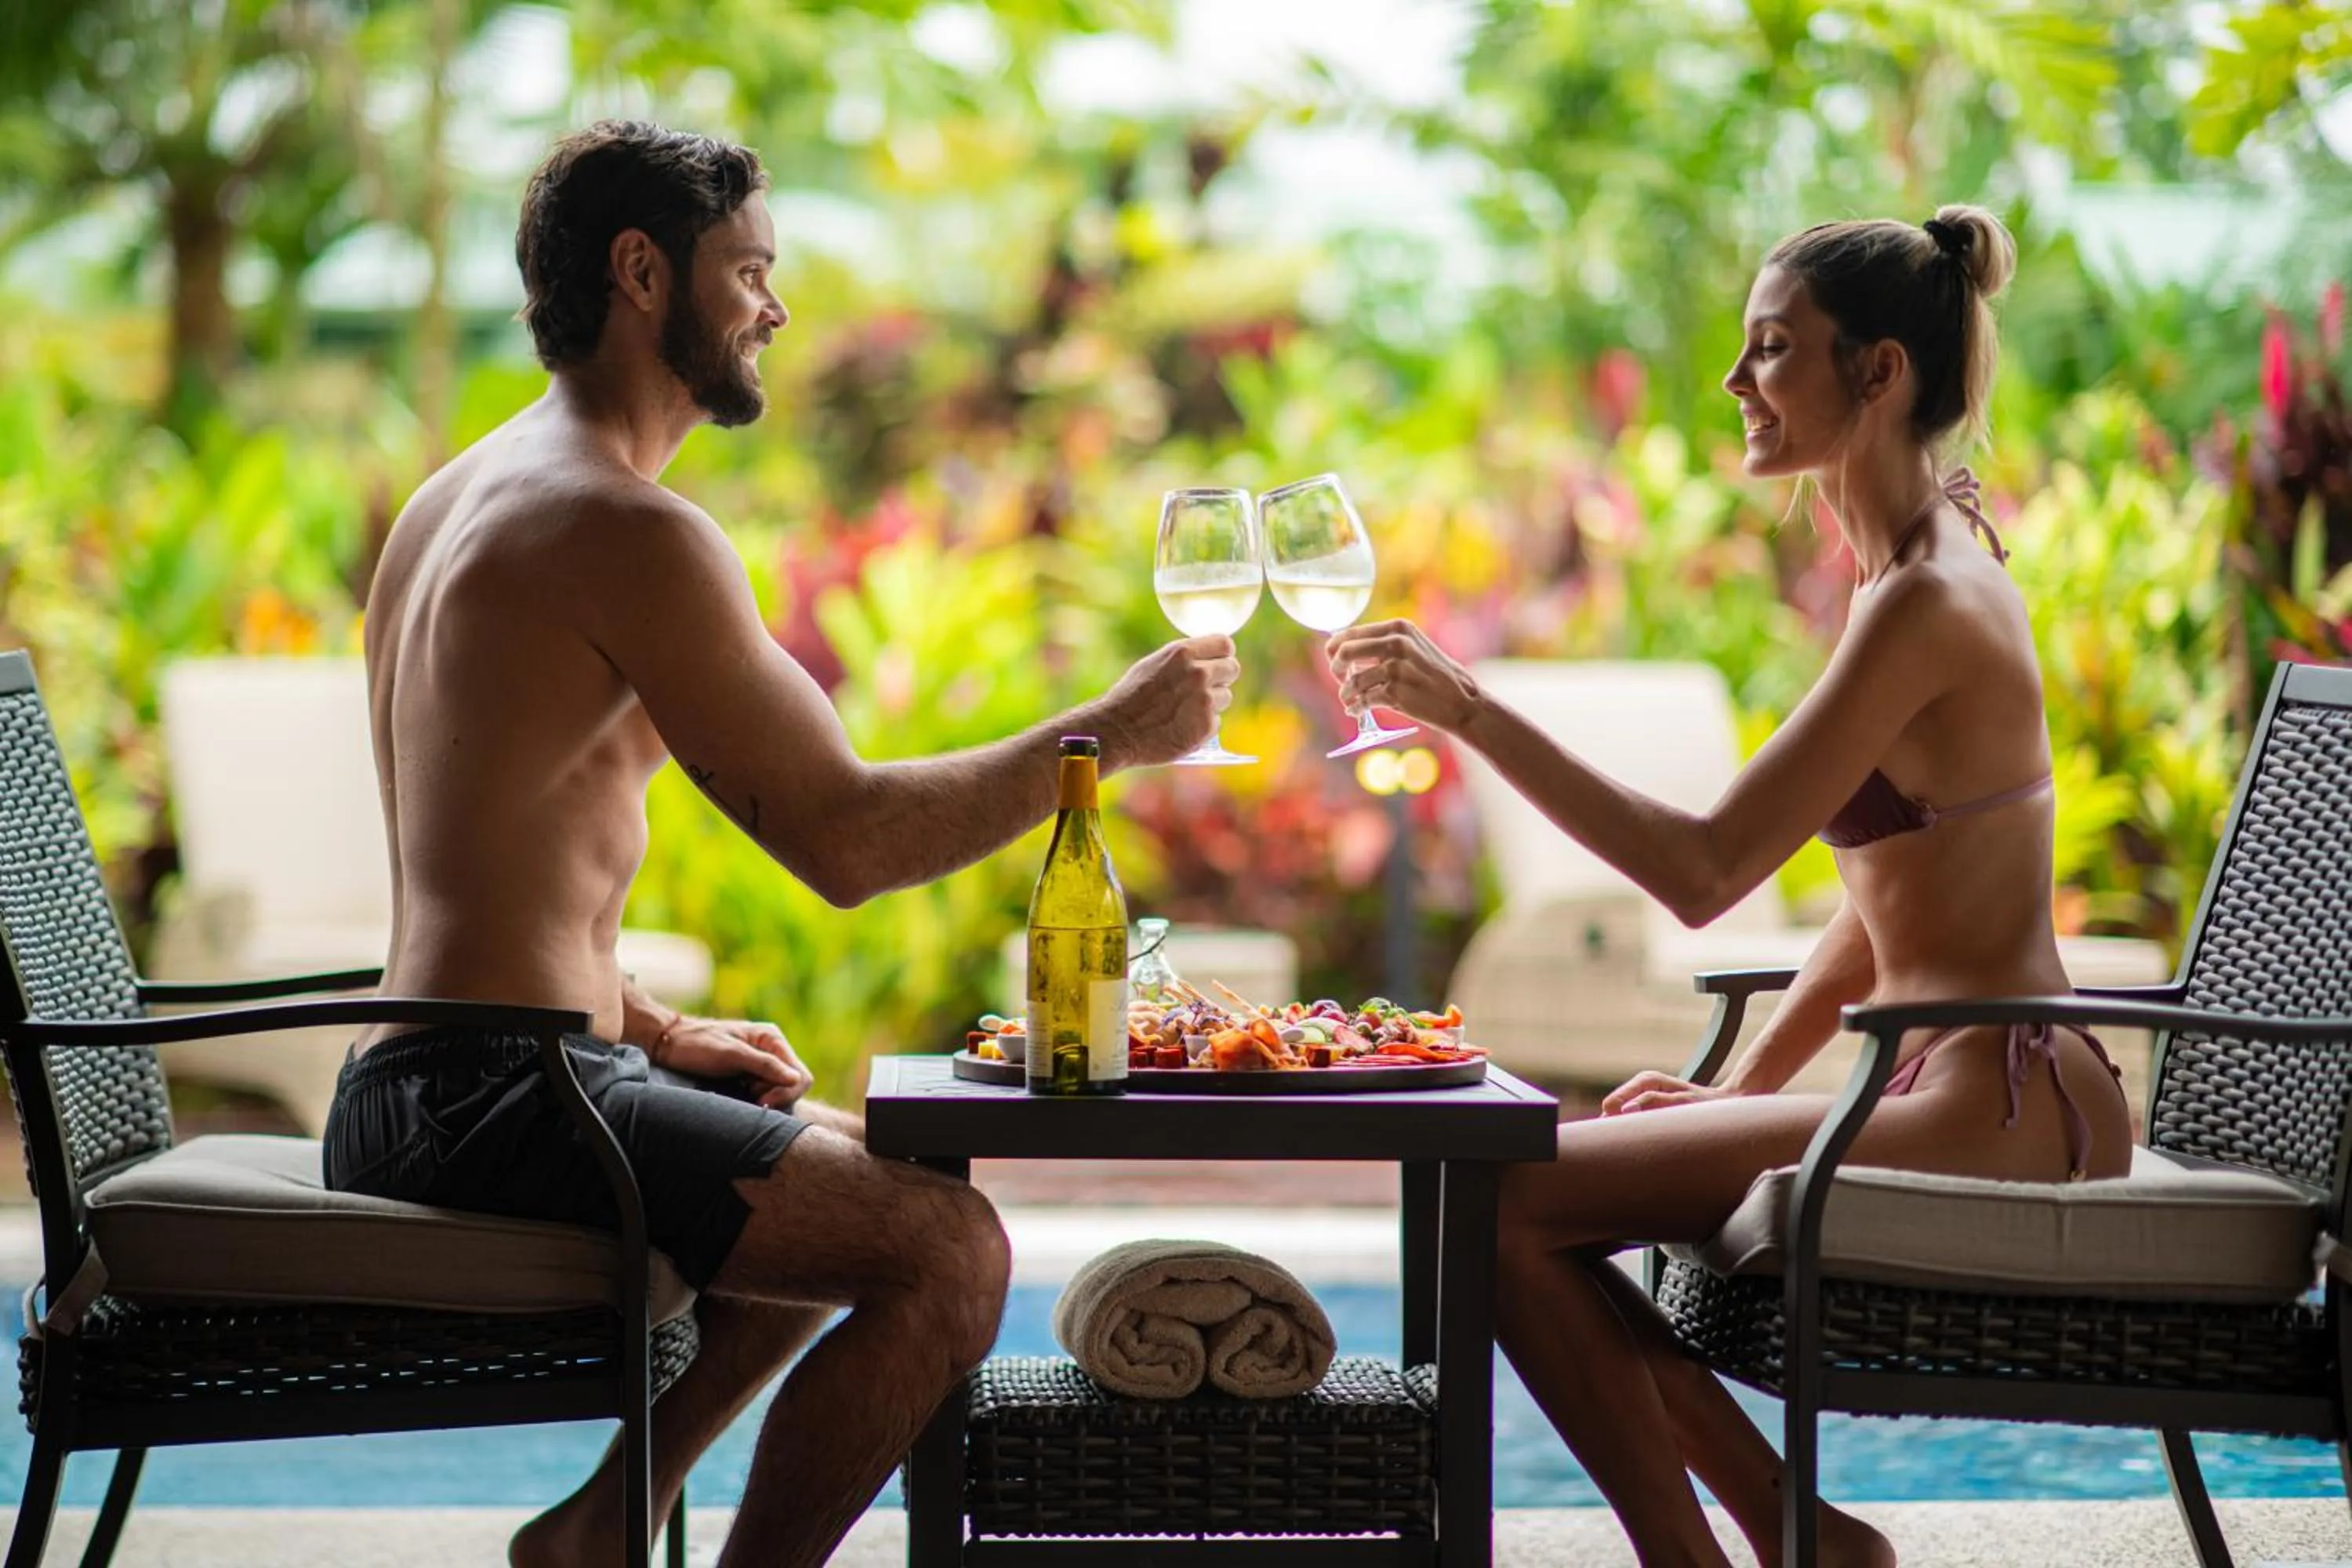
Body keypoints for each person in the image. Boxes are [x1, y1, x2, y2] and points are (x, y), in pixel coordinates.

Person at [319, 121, 1239, 1568]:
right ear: (641, 272)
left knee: (864, 1177)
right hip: (497, 1098)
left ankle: (599, 1537)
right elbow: (847, 839)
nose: (776, 307)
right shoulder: (621, 525)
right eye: (750, 269)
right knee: (948, 1251)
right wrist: (1106, 736)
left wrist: (656, 1026)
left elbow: (481, 860)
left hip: (437, 1070)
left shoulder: (463, 493)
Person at [1326, 206, 2125, 1568]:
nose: (1735, 382)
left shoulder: (1931, 596)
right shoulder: (1905, 567)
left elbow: (1704, 872)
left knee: (1501, 1203)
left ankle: (1729, 1553)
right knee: (1509, 1202)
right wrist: (1752, 1084)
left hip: (2002, 1097)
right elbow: (1886, 910)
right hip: (1944, 1079)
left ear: (1876, 374)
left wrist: (1471, 710)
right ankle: (1792, 1535)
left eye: (1772, 351)